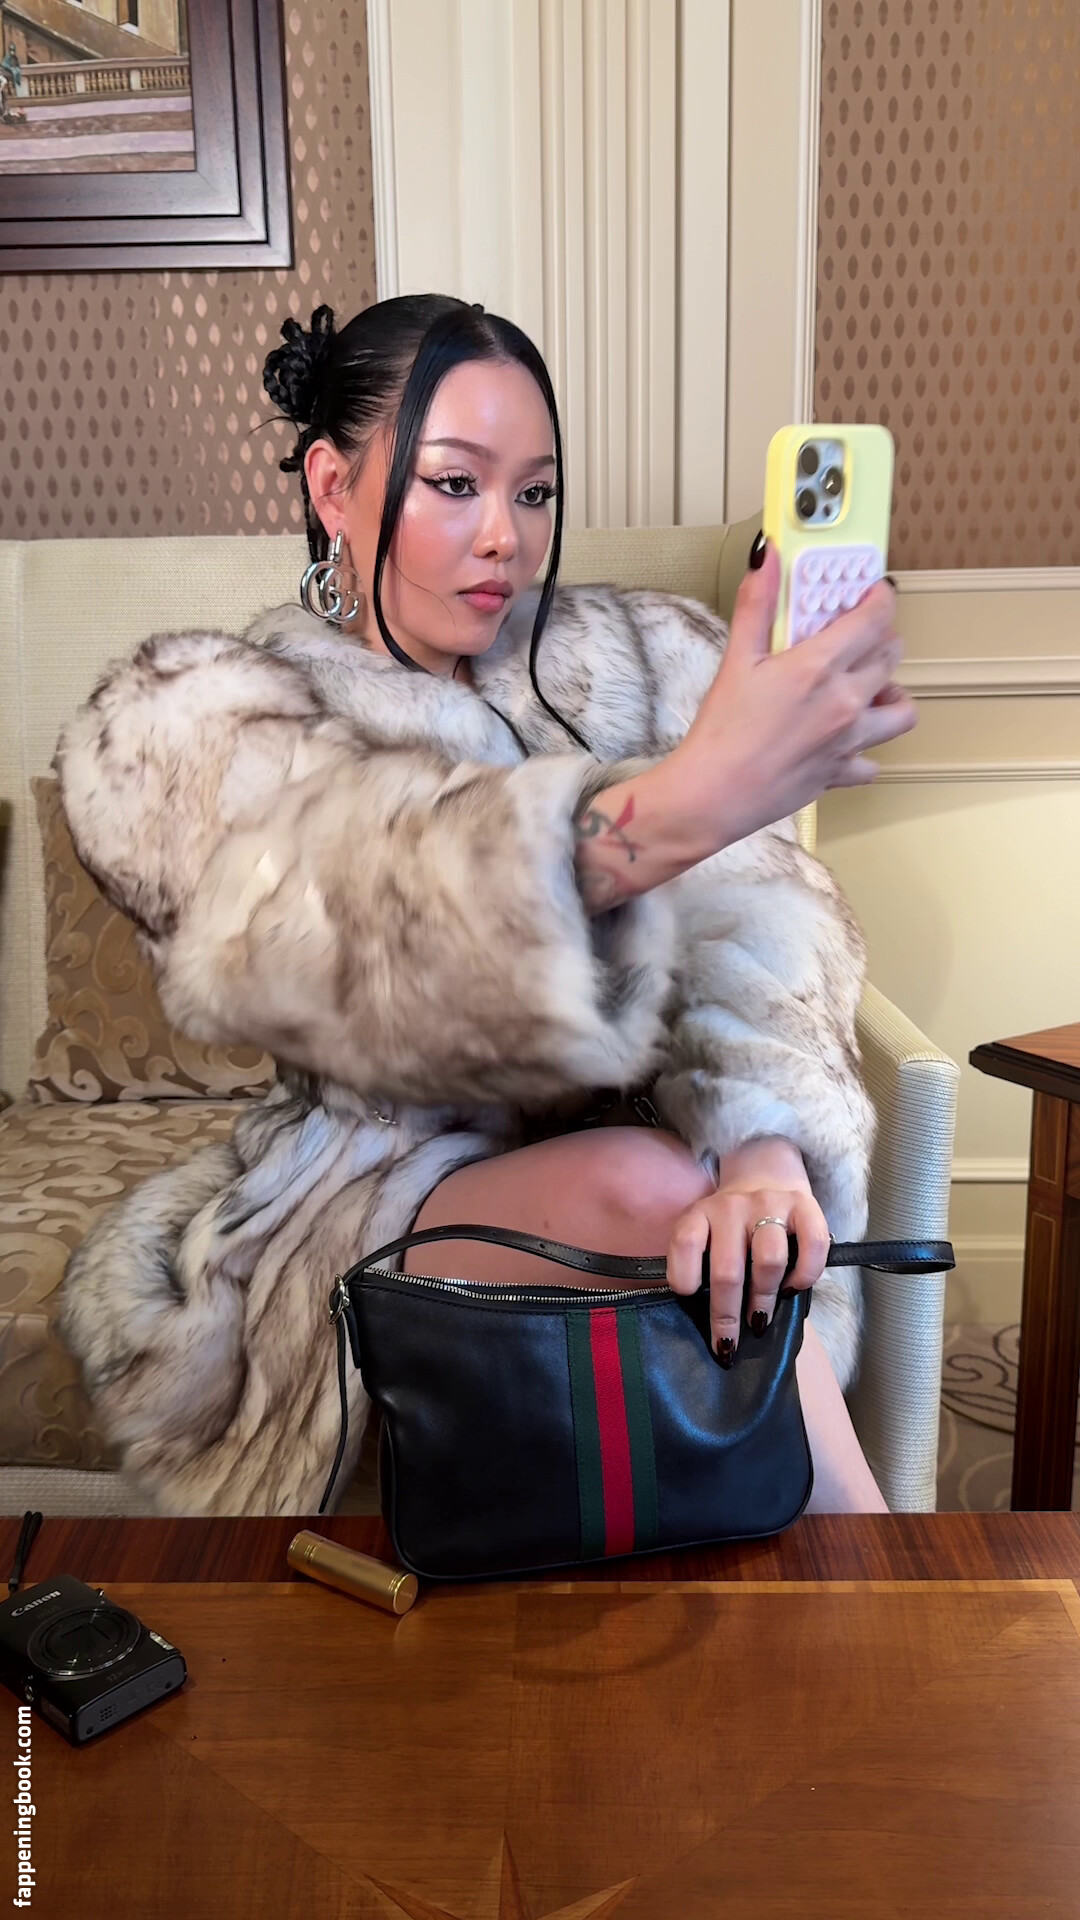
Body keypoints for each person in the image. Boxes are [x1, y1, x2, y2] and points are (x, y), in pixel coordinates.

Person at [55, 295, 917, 1518]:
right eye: (455, 485)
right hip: (380, 1182)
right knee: (652, 1189)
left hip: (661, 1144)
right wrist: (681, 803)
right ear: (334, 486)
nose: (506, 538)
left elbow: (760, 917)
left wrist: (762, 1140)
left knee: (728, 1216)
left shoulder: (641, 659)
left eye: (535, 491)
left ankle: (816, 1598)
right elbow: (354, 916)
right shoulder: (201, 725)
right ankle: (873, 1574)